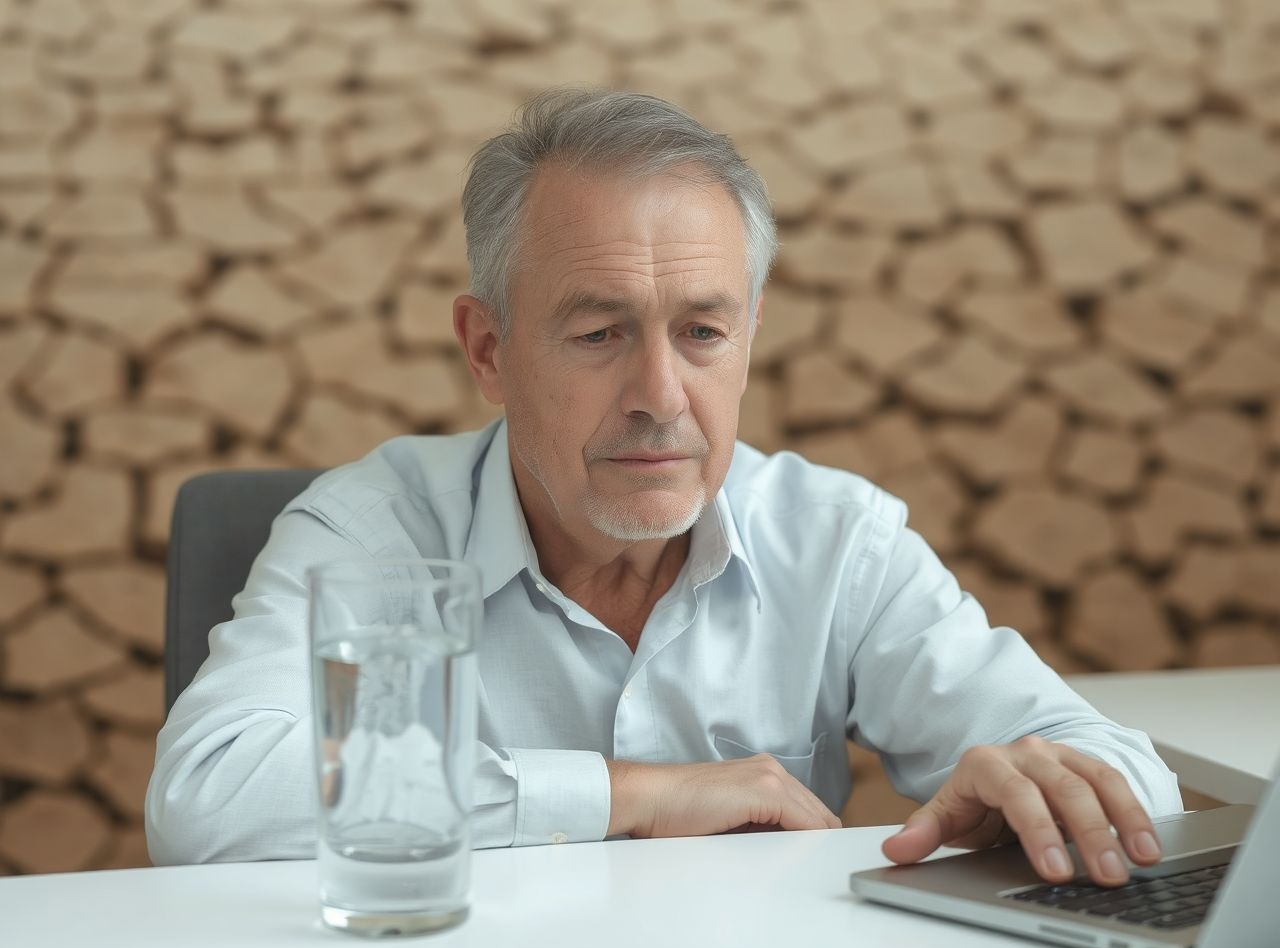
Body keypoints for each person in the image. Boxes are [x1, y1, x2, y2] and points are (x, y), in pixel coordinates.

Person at [146, 89, 1180, 888]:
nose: (659, 396)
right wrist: (631, 798)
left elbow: (1121, 771)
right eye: (599, 333)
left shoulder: (834, 539)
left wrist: (1038, 794)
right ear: (488, 349)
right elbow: (204, 796)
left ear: (749, 337)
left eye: (701, 332)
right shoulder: (372, 530)